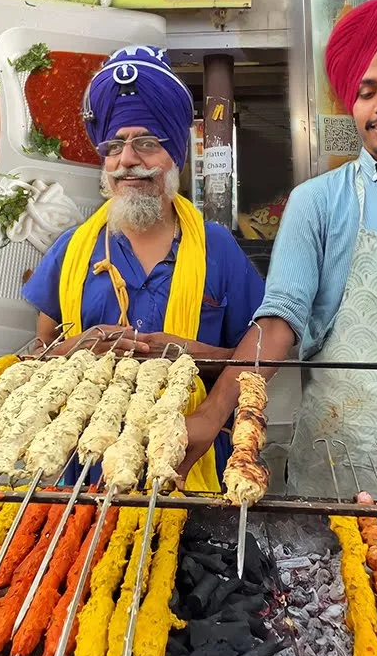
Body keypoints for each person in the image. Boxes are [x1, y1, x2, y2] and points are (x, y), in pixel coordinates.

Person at [179, 0, 377, 501]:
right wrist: (212, 415)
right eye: (366, 91)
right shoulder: (318, 202)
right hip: (332, 454)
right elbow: (279, 318)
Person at [21, 45, 266, 492]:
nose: (127, 159)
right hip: (89, 470)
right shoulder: (71, 249)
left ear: (174, 155)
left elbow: (256, 358)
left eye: (147, 143)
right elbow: (38, 355)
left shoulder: (218, 249)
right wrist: (75, 348)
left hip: (192, 464)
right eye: (114, 146)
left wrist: (189, 354)